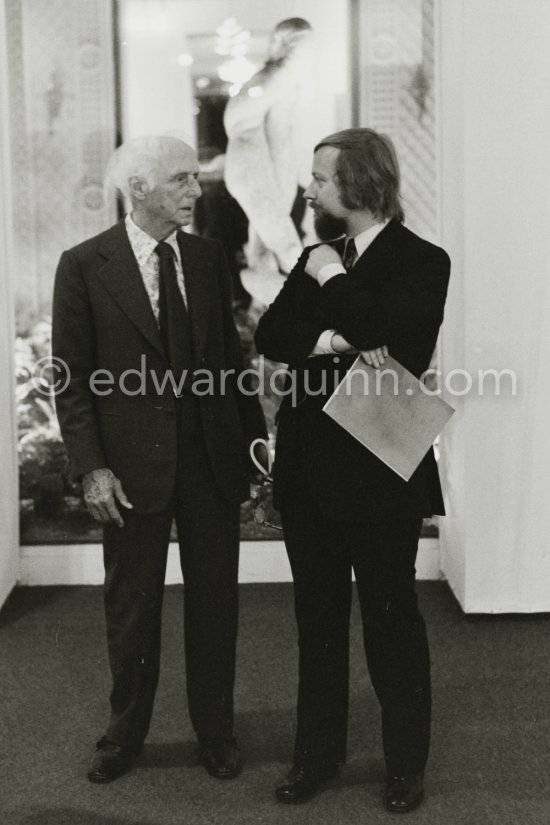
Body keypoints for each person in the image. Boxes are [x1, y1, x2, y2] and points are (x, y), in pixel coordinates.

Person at [52, 135, 267, 783]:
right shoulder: (84, 265)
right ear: (138, 188)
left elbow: (232, 363)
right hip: (126, 469)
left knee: (215, 603)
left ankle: (216, 730)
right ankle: (125, 733)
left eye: (193, 179)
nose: (194, 191)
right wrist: (90, 466)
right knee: (133, 606)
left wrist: (255, 447)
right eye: (180, 180)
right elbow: (72, 377)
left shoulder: (204, 258)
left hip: (209, 461)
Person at [255, 128, 450, 812]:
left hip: (380, 470)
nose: (309, 188)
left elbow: (401, 342)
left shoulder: (423, 260)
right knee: (317, 620)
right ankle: (317, 758)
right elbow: (271, 336)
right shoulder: (313, 254)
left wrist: (334, 288)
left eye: (320, 177)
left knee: (392, 620)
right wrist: (342, 337)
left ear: (360, 185)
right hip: (309, 471)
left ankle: (405, 766)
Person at [223, 17, 313, 305]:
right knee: (280, 240)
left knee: (274, 241)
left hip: (250, 145)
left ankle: (290, 50)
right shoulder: (274, 81)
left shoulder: (271, 258)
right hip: (247, 146)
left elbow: (280, 128)